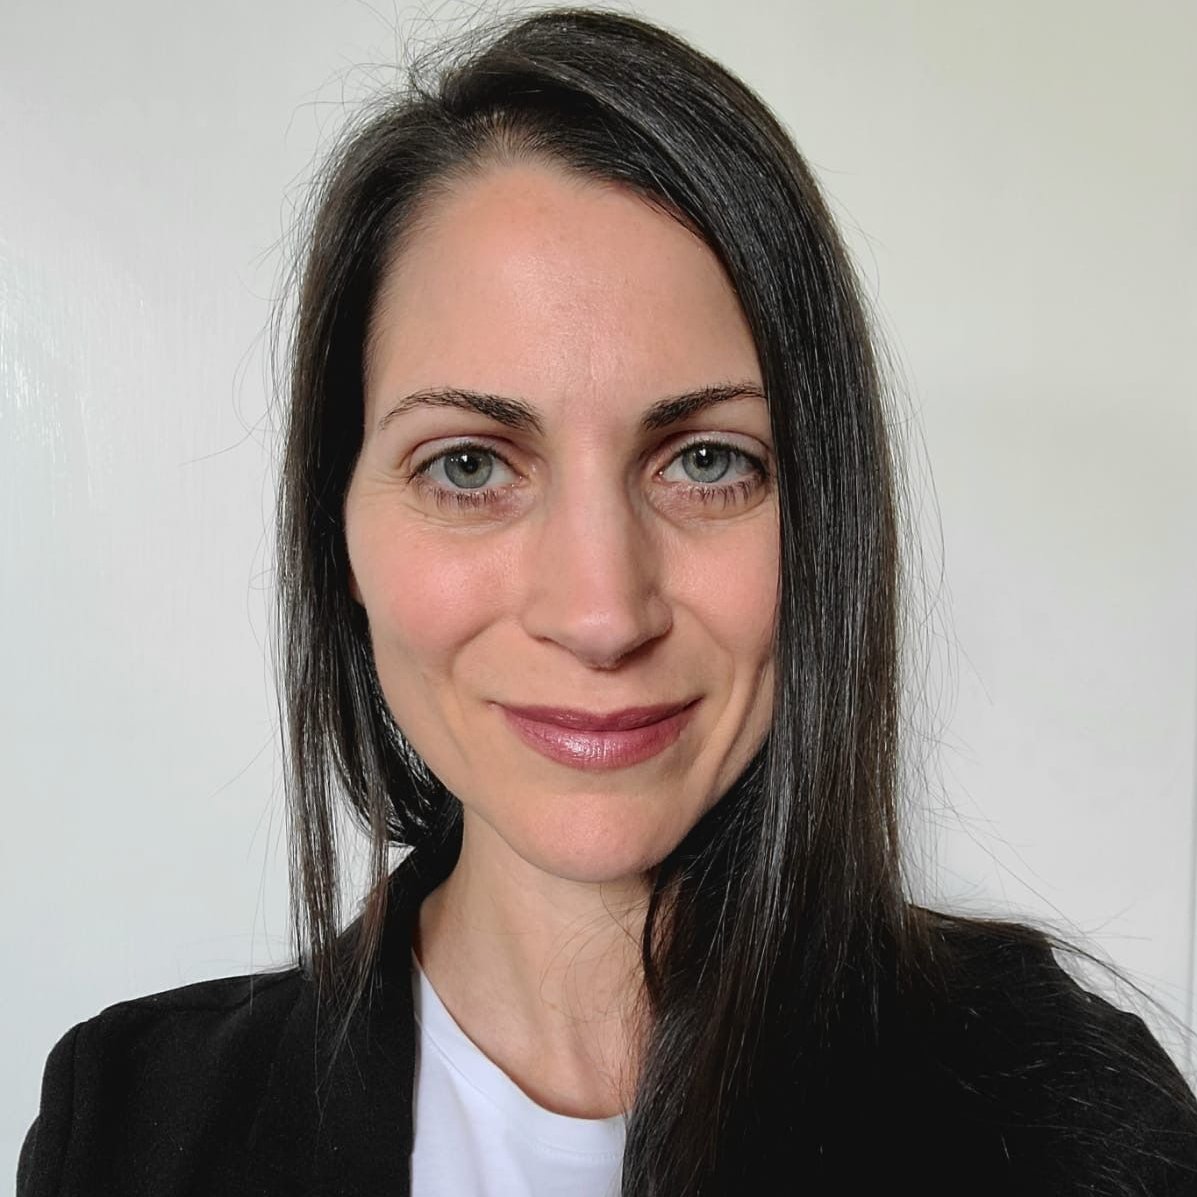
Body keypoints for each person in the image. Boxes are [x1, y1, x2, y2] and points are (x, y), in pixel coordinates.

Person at [17, 6, 1197, 1195]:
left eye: (707, 461)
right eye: (469, 465)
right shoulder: (126, 1127)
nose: (600, 613)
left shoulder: (1070, 1117)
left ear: (828, 520)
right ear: (341, 532)